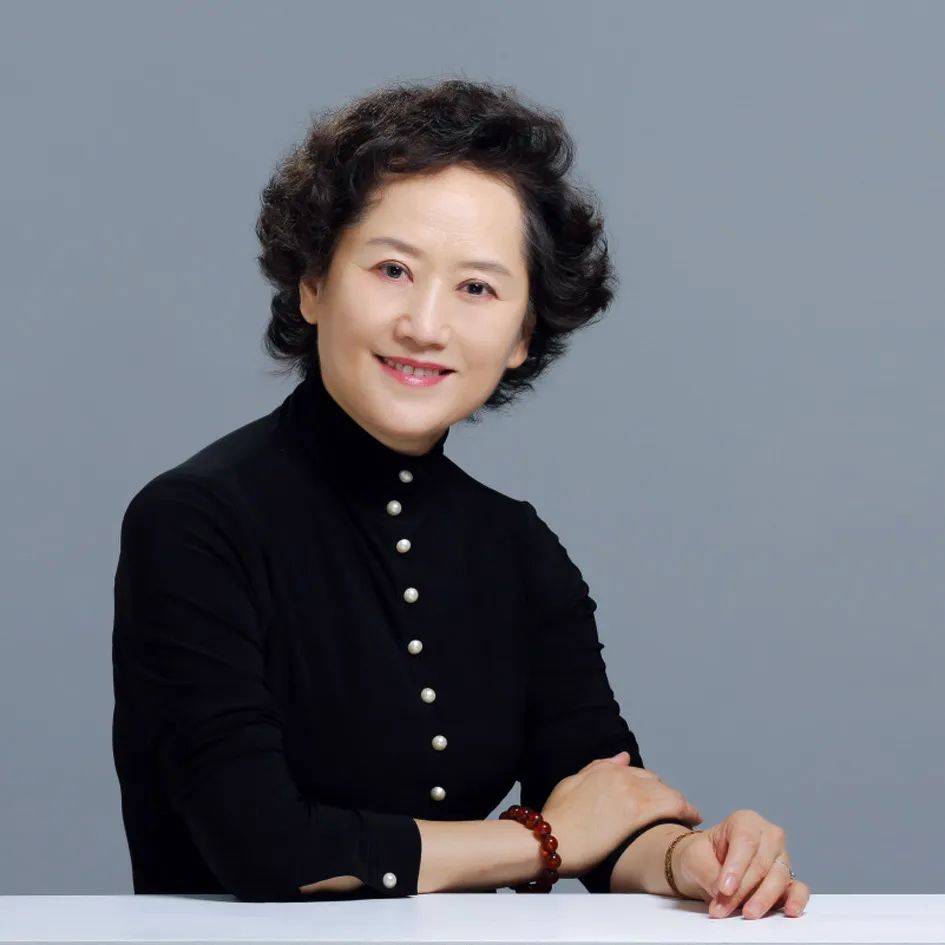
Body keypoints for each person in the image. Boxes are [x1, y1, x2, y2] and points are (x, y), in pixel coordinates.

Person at [112, 78, 806, 918]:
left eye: (476, 287)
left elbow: (601, 797)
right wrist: (541, 840)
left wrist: (697, 857)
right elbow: (263, 846)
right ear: (312, 284)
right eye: (392, 269)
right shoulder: (196, 520)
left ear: (522, 336)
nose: (424, 325)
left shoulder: (516, 546)